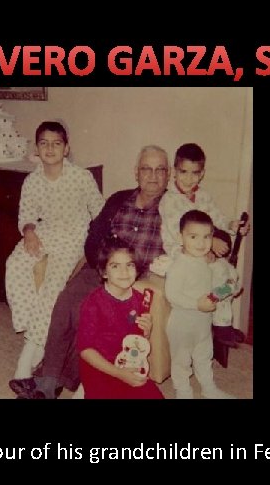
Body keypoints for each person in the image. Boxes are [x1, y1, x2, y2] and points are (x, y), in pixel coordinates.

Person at [9, 145, 171, 399]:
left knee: (93, 315)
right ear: (136, 173)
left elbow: (203, 225)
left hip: (130, 278)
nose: (153, 175)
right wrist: (101, 265)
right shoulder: (119, 199)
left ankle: (69, 380)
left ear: (168, 174)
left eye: (160, 169)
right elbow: (93, 236)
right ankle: (49, 381)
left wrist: (220, 239)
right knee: (66, 303)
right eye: (146, 169)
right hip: (99, 268)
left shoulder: (173, 208)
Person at [5, 121, 105, 380]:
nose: (50, 148)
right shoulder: (32, 180)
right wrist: (28, 232)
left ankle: (30, 352)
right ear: (37, 149)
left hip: (73, 237)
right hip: (45, 233)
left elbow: (99, 211)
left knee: (52, 287)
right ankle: (35, 332)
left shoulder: (81, 177)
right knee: (14, 265)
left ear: (66, 148)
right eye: (44, 143)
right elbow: (26, 214)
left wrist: (93, 247)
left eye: (56, 143)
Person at [158, 143, 246, 347]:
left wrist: (231, 226)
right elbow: (179, 233)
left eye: (194, 173)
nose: (189, 179)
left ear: (202, 173)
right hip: (182, 253)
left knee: (231, 275)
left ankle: (221, 319)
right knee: (218, 273)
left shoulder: (204, 196)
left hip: (203, 250)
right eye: (184, 172)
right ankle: (221, 326)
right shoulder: (170, 200)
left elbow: (217, 218)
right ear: (174, 171)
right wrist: (210, 242)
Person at [76, 236, 164, 399]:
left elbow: (135, 341)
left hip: (128, 361)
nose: (124, 272)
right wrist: (118, 373)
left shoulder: (140, 299)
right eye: (115, 266)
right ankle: (84, 389)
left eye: (129, 265)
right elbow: (85, 350)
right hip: (100, 366)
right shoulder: (93, 303)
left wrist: (146, 332)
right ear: (103, 272)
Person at [164, 209, 237, 399]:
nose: (201, 243)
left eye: (206, 237)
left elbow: (210, 293)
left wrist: (226, 289)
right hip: (182, 325)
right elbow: (172, 294)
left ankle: (208, 387)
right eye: (193, 236)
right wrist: (197, 304)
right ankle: (183, 390)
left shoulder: (206, 262)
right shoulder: (180, 265)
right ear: (181, 238)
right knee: (181, 361)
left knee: (204, 356)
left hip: (203, 324)